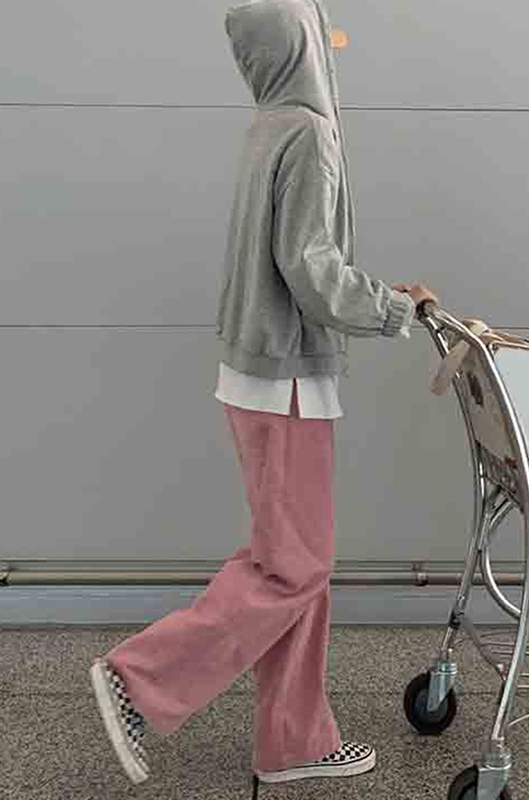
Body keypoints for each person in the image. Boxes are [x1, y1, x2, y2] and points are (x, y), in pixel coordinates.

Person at [89, 0, 440, 794]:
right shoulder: (310, 133)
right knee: (293, 570)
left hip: (258, 376)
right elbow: (310, 269)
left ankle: (293, 742)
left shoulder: (267, 125)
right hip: (286, 383)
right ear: (303, 45)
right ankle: (139, 677)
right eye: (322, 38)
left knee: (294, 567)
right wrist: (393, 307)